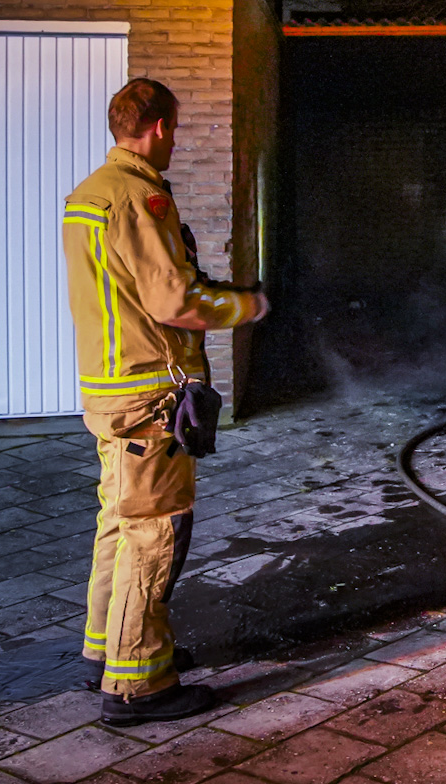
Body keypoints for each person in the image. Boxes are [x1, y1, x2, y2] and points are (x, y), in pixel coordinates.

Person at [63, 78, 268, 726]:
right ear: (156, 127)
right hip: (150, 393)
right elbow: (175, 301)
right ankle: (138, 685)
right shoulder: (140, 197)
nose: (175, 141)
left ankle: (107, 651)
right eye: (173, 129)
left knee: (118, 524)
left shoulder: (87, 197)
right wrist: (249, 304)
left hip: (109, 389)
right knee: (155, 533)